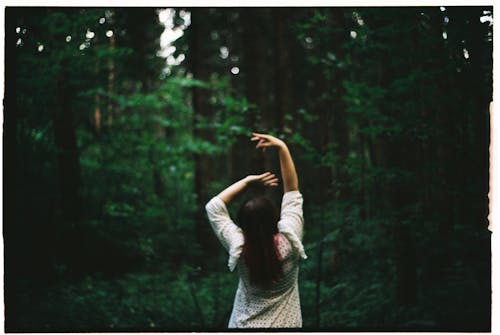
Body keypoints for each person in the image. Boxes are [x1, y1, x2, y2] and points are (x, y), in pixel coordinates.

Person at [205, 132, 307, 328]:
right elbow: (293, 193)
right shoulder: (291, 240)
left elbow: (214, 207)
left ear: (242, 225)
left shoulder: (239, 246)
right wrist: (282, 147)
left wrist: (247, 182)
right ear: (274, 219)